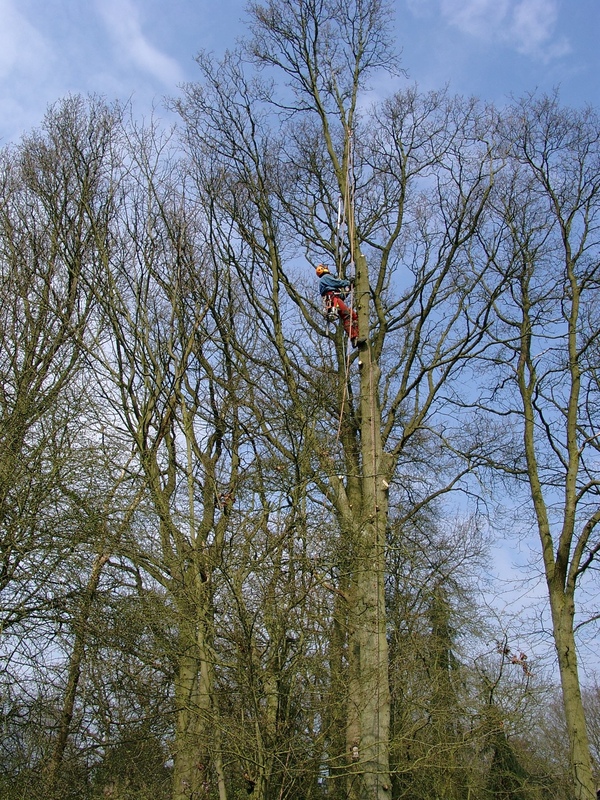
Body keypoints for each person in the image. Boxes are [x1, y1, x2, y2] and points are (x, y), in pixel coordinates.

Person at [315, 264, 359, 346]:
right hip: (333, 300)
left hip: (336, 299)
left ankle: (357, 335)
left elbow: (342, 296)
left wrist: (349, 288)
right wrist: (348, 282)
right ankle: (353, 337)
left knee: (354, 315)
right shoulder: (325, 278)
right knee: (346, 315)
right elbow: (337, 283)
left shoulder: (328, 283)